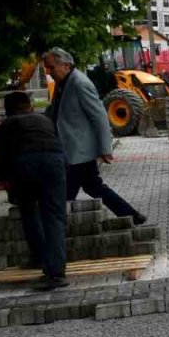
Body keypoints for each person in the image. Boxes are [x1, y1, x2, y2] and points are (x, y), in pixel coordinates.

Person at [41, 48, 148, 225]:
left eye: (51, 68)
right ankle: (132, 215)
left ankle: (55, 229)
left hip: (79, 150)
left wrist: (105, 147)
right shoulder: (64, 83)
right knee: (92, 186)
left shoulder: (79, 84)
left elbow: (98, 115)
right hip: (73, 149)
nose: (49, 72)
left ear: (66, 65)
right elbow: (56, 111)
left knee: (66, 192)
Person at [0, 91, 69, 290]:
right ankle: (56, 273)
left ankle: (39, 257)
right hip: (55, 163)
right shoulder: (45, 121)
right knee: (54, 216)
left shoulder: (7, 125)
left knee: (28, 209)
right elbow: (60, 145)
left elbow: (1, 160)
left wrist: (5, 182)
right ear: (30, 106)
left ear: (8, 110)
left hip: (25, 164)